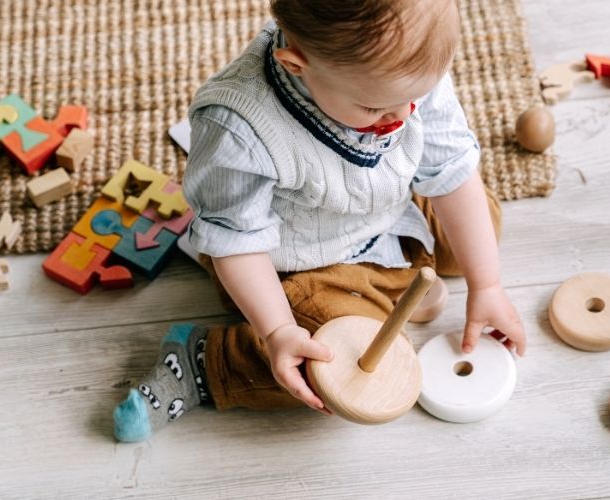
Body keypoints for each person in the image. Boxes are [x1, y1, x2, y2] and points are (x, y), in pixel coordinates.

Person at [113, 0, 526, 442]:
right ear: (295, 65)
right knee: (333, 365)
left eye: (413, 97)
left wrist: (487, 286)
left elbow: (450, 169)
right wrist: (277, 331)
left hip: (386, 209)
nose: (403, 116)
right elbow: (237, 243)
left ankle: (397, 276)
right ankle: (204, 363)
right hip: (299, 262)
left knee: (480, 224)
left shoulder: (401, 75)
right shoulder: (238, 127)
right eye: (375, 109)